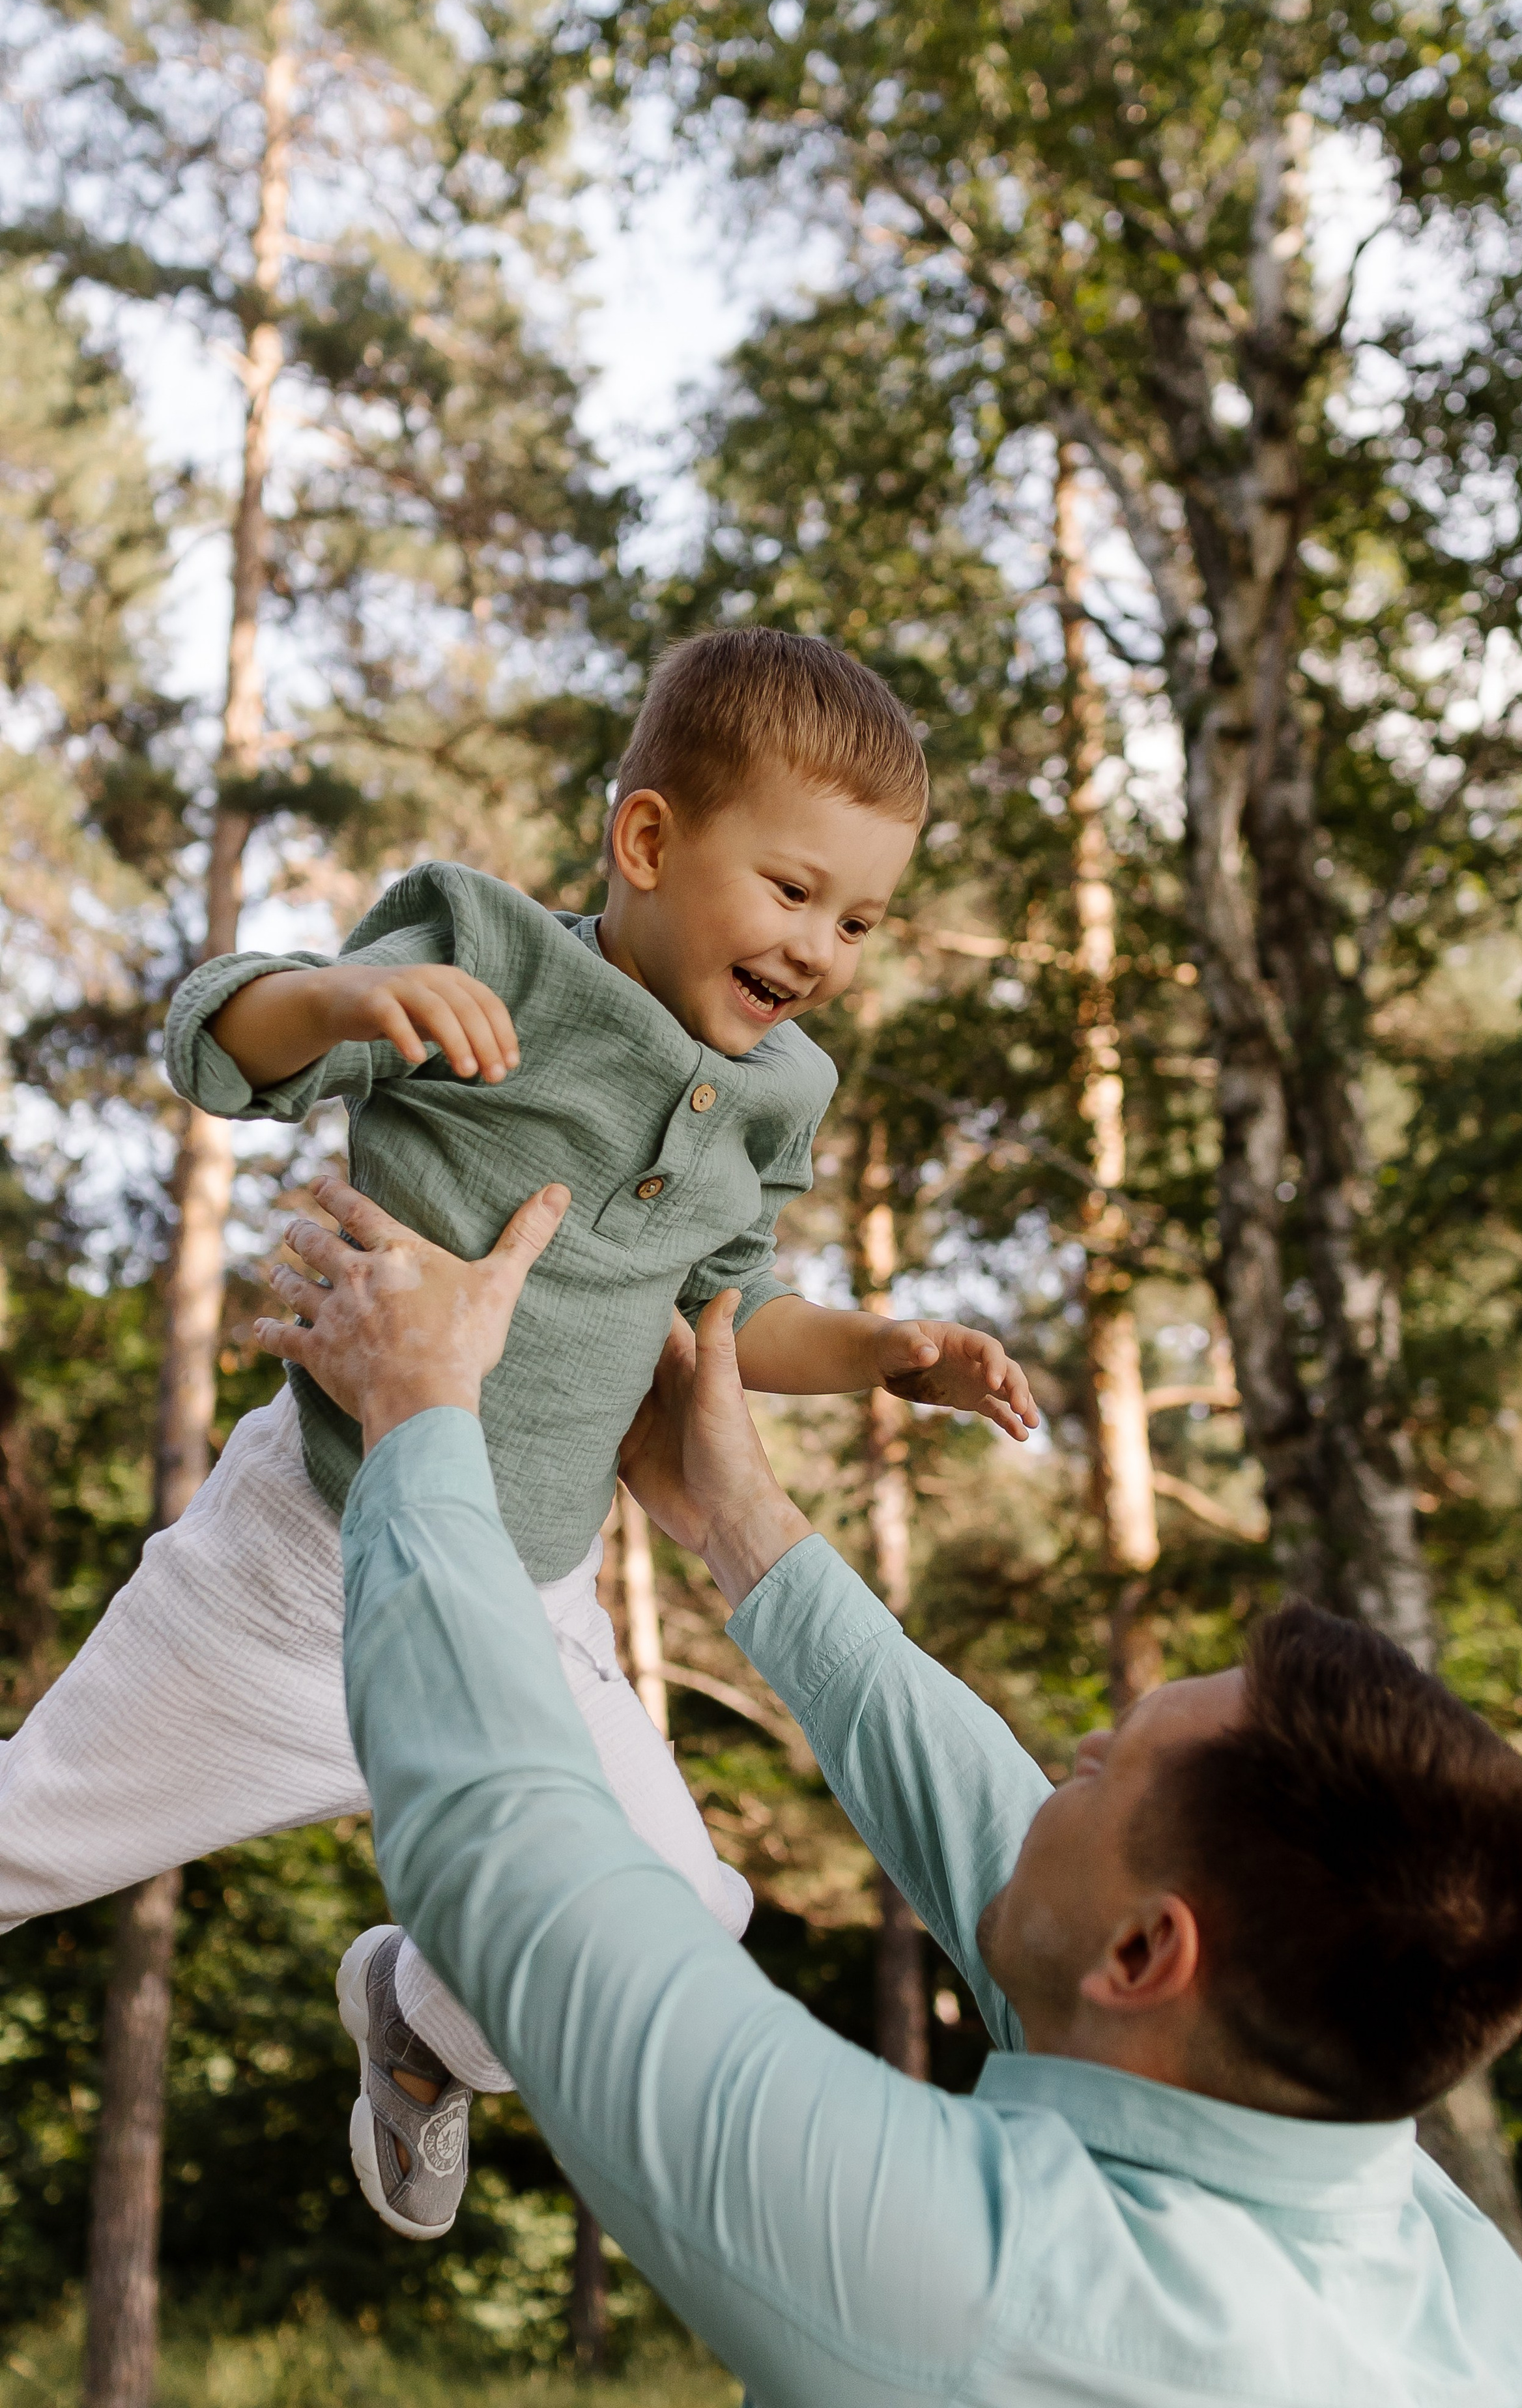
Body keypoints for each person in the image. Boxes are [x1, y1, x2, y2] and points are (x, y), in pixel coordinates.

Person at [0, 628, 1038, 2241]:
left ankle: (418, 2019)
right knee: (26, 1838)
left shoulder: (776, 1098)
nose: (821, 947)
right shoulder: (481, 957)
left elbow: (719, 1327)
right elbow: (214, 1041)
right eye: (791, 891)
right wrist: (337, 997)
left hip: (530, 1608)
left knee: (680, 1915)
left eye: (858, 918)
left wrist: (879, 1351)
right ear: (646, 841)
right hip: (302, 1574)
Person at [263, 1171, 1522, 2408]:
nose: (1055, 1774)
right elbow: (975, 1811)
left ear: (1141, 1951)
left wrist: (418, 1411)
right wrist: (737, 1520)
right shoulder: (1449, 2284)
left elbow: (516, 1868)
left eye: (1095, 1774)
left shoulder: (989, 2296)